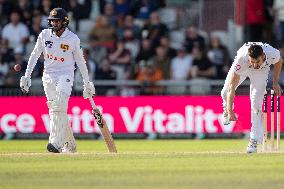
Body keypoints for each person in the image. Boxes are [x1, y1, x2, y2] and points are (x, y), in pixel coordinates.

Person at [20, 8, 96, 153]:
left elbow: (81, 62)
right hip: (48, 75)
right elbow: (35, 54)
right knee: (56, 110)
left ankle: (55, 142)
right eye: (52, 20)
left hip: (65, 75)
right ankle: (70, 144)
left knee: (59, 105)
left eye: (57, 20)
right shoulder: (44, 34)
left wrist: (87, 82)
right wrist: (27, 75)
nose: (54, 23)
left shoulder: (73, 39)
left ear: (64, 22)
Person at [221, 42, 283, 153]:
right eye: (252, 61)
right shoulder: (242, 59)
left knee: (256, 104)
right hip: (243, 67)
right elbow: (232, 88)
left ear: (263, 56)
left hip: (261, 72)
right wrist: (230, 111)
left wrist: (275, 82)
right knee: (225, 92)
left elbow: (279, 62)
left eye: (257, 61)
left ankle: (254, 140)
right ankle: (226, 109)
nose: (254, 65)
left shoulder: (272, 53)